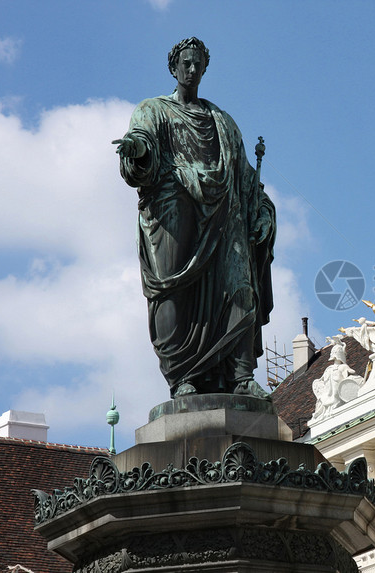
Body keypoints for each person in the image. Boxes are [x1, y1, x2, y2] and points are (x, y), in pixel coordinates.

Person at [113, 37, 275, 398]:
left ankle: (241, 376)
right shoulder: (152, 110)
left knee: (240, 288)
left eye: (197, 64)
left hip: (224, 215)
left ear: (204, 68)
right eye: (185, 63)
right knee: (173, 294)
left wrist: (262, 210)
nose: (191, 70)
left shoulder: (223, 123)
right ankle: (181, 374)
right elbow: (142, 147)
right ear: (173, 68)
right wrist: (137, 150)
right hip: (174, 213)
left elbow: (246, 178)